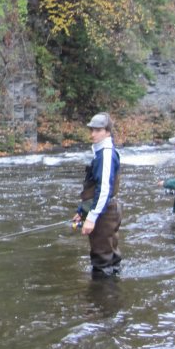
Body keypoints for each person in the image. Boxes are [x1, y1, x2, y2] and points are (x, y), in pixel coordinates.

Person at [71, 112, 122, 277]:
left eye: (97, 130)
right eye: (92, 130)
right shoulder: (101, 152)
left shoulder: (106, 153)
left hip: (104, 214)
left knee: (102, 261)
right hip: (105, 210)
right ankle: (111, 296)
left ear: (107, 132)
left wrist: (91, 218)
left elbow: (104, 189)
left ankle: (102, 300)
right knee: (110, 259)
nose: (93, 134)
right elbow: (93, 186)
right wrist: (82, 211)